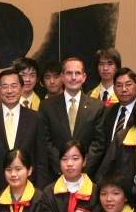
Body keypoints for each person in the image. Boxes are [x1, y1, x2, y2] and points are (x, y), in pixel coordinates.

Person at [37, 57, 106, 187]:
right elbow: (45, 141)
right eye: (69, 73)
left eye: (77, 73)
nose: (73, 77)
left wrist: (82, 168)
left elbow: (98, 143)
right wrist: (62, 166)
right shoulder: (47, 106)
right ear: (62, 77)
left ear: (84, 77)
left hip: (86, 177)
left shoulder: (97, 107)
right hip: (56, 177)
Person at [99, 68, 136, 147]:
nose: (124, 89)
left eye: (128, 84)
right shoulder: (108, 111)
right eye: (119, 85)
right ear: (114, 89)